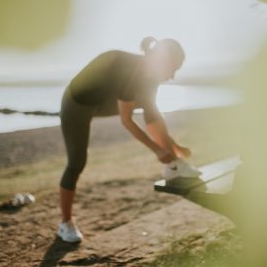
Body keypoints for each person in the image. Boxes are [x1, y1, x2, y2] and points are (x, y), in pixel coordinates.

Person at [57, 36, 192, 243]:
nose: (172, 76)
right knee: (76, 162)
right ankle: (65, 223)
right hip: (77, 103)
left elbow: (152, 116)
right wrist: (156, 150)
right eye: (173, 68)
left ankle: (174, 164)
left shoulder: (149, 78)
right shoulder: (131, 70)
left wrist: (173, 146)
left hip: (103, 101)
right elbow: (126, 120)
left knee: (151, 108)